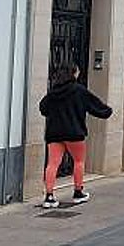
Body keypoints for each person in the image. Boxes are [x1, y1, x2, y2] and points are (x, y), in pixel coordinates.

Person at [38, 62, 113, 209]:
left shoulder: (53, 92)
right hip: (74, 132)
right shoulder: (79, 90)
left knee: (52, 164)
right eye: (77, 71)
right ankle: (78, 192)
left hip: (54, 133)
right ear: (73, 73)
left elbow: (43, 108)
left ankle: (49, 196)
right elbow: (95, 107)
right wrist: (107, 111)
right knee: (79, 161)